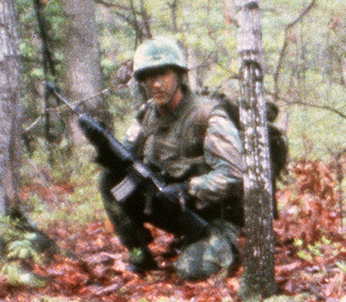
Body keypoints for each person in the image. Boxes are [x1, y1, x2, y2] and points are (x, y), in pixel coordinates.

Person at [101, 37, 244, 280]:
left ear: (178, 75)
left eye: (163, 75)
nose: (156, 84)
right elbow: (126, 155)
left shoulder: (207, 115)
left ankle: (224, 249)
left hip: (212, 216)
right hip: (171, 208)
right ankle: (139, 254)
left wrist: (188, 189)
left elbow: (234, 175)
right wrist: (107, 150)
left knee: (190, 271)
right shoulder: (147, 115)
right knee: (110, 180)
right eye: (148, 77)